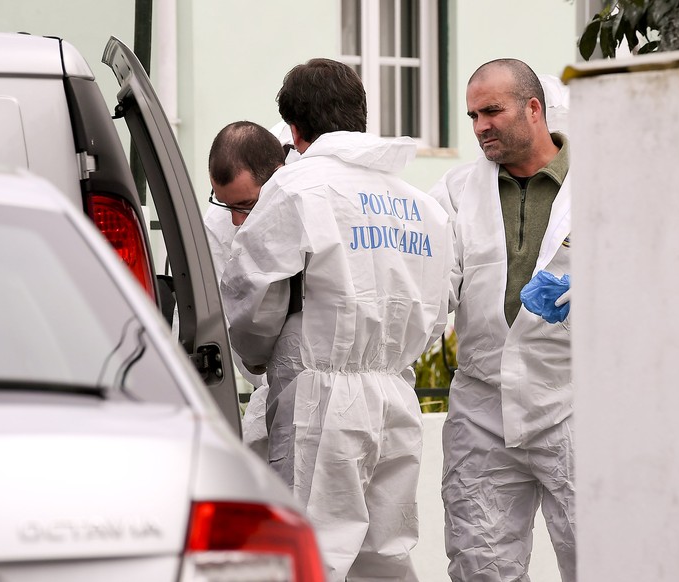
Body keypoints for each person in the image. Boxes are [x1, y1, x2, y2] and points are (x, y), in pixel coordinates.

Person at [220, 58, 453, 581]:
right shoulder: (421, 206)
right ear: (360, 114)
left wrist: (262, 362)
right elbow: (437, 314)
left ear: (295, 130)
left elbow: (252, 297)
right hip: (396, 396)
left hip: (320, 401)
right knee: (384, 554)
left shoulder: (297, 189)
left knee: (309, 555)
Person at [429, 58, 574, 582]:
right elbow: (432, 282)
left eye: (492, 110)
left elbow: (654, 273)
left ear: (533, 109)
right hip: (483, 406)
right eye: (472, 115)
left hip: (576, 401)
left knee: (598, 553)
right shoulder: (454, 191)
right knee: (480, 562)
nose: (480, 126)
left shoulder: (604, 184)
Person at [206, 120, 288, 459]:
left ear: (278, 177)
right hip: (270, 384)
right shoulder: (216, 226)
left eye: (246, 206)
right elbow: (219, 322)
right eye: (229, 206)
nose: (237, 221)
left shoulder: (304, 196)